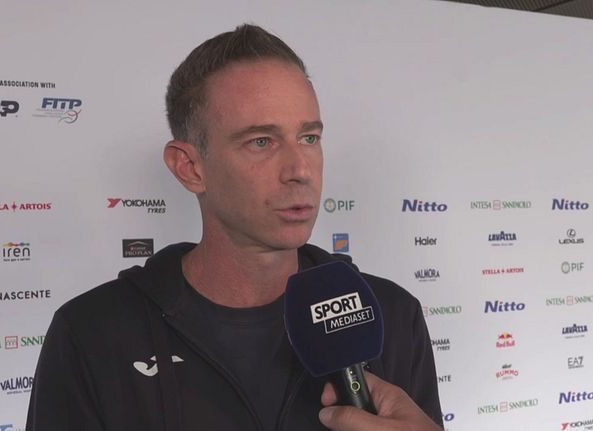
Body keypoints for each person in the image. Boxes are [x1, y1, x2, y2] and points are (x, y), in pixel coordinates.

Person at [26, 24, 443, 431]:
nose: (300, 170)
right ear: (190, 168)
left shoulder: (392, 313)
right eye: (261, 141)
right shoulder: (91, 333)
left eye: (309, 138)